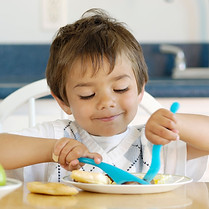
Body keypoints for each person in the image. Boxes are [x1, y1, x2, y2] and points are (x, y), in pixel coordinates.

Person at [0, 8, 209, 183]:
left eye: (120, 89)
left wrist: (175, 124)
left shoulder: (156, 145)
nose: (107, 103)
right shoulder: (57, 137)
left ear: (139, 90)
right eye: (87, 94)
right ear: (63, 101)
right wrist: (52, 150)